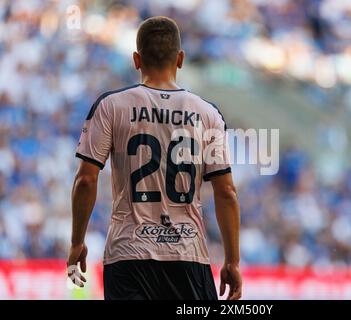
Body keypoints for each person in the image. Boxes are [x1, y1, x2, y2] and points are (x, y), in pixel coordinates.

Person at [67, 16, 241, 300]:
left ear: (137, 60)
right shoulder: (208, 114)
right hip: (187, 255)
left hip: (128, 255)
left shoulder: (111, 106)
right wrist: (232, 261)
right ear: (180, 59)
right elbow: (227, 193)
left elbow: (86, 179)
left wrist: (77, 242)